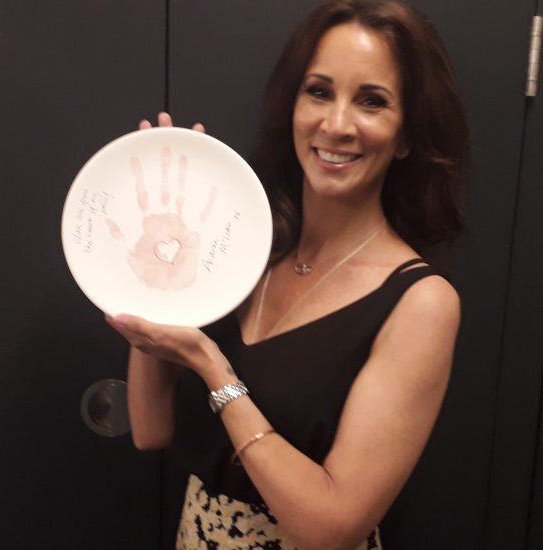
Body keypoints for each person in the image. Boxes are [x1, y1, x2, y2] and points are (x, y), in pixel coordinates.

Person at [106, 0, 469, 548]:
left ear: (406, 135)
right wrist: (156, 277)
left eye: (371, 101)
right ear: (292, 105)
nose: (336, 124)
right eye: (318, 91)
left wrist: (214, 370)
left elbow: (331, 529)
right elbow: (151, 429)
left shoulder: (421, 302)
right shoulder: (245, 253)